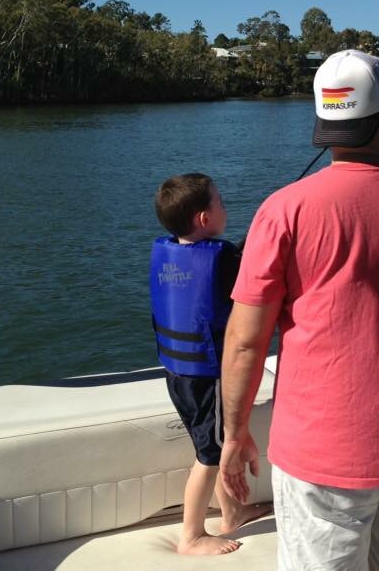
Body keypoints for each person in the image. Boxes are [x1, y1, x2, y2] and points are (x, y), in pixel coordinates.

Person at [219, 50, 379, 570]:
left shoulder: (283, 210)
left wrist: (235, 433)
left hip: (321, 460)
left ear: (323, 122)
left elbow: (245, 342)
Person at [150, 172, 270, 555]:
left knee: (211, 444)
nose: (226, 208)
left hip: (176, 372)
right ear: (204, 218)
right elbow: (251, 277)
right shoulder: (222, 258)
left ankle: (232, 513)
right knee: (210, 455)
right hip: (207, 376)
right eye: (221, 202)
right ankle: (191, 536)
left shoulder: (168, 252)